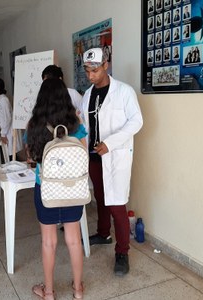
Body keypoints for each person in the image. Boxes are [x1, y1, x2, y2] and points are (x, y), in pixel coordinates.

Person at [81, 48, 143, 276]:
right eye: (87, 71)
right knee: (100, 197)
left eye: (94, 70)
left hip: (115, 157)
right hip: (94, 157)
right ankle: (103, 233)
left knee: (116, 204)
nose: (90, 76)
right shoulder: (87, 95)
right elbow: (84, 125)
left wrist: (111, 143)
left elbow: (137, 121)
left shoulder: (124, 92)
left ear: (106, 65)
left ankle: (122, 252)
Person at [27, 78, 87, 300]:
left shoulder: (34, 125)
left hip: (46, 190)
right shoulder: (76, 124)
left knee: (48, 241)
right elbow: (82, 154)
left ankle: (49, 292)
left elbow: (31, 156)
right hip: (73, 190)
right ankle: (78, 289)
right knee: (74, 239)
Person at [0, 78, 22, 160]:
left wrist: (3, 134)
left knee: (12, 155)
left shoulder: (3, 100)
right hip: (5, 130)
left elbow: (7, 119)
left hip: (9, 131)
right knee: (8, 154)